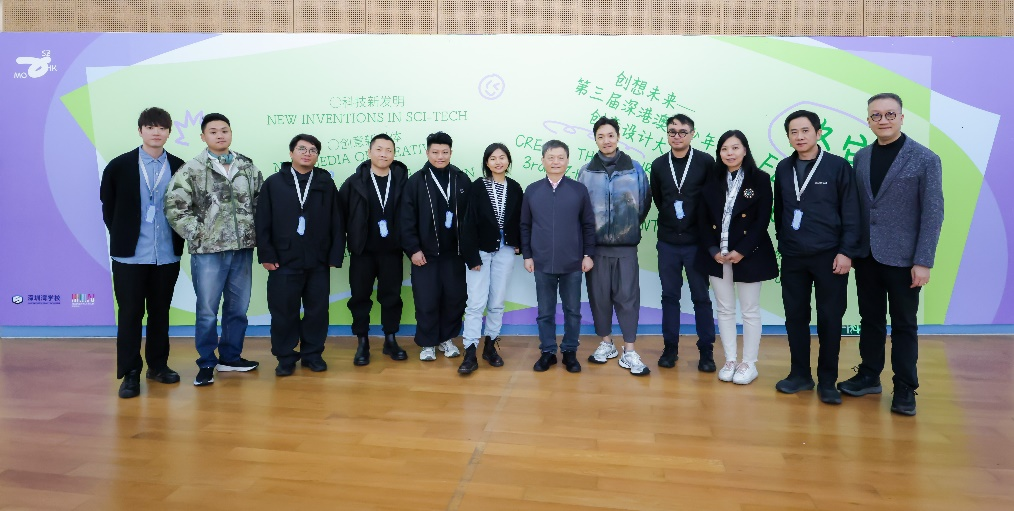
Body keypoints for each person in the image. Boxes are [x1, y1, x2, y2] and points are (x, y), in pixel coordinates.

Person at [840, 93, 944, 416]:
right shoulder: (861, 157)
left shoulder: (925, 158)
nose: (882, 120)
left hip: (905, 260)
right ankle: (869, 375)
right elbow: (859, 207)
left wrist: (923, 260)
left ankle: (905, 387)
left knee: (904, 325)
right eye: (876, 115)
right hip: (867, 256)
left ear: (901, 117)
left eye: (889, 114)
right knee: (870, 320)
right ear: (868, 120)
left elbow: (933, 213)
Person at [166, 112, 264, 387]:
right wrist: (200, 235)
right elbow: (175, 208)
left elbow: (261, 203)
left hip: (242, 249)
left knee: (238, 308)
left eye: (224, 130)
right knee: (208, 310)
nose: (220, 135)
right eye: (213, 131)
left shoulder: (247, 166)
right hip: (208, 252)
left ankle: (231, 357)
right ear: (203, 136)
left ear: (231, 133)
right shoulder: (191, 169)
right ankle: (207, 362)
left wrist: (256, 234)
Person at [773, 110, 860, 404]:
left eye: (805, 130)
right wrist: (784, 242)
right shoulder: (783, 168)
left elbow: (851, 212)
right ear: (788, 136)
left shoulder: (838, 166)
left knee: (830, 319)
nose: (799, 137)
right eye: (793, 132)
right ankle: (800, 374)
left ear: (818, 133)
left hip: (830, 256)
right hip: (793, 257)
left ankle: (827, 381)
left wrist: (846, 252)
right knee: (795, 317)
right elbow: (780, 210)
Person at [100, 107, 186, 399]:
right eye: (150, 127)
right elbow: (108, 205)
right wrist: (123, 234)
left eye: (162, 128)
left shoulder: (179, 166)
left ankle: (158, 366)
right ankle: (130, 373)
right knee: (130, 313)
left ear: (169, 132)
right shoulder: (120, 165)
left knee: (160, 312)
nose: (156, 132)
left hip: (167, 254)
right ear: (140, 131)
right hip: (130, 256)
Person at [256, 134, 344, 377]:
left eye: (313, 150)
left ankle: (312, 354)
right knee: (284, 311)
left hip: (318, 259)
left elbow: (337, 220)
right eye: (302, 149)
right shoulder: (274, 183)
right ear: (291, 153)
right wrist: (266, 254)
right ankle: (285, 357)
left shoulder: (325, 183)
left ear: (317, 156)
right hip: (283, 259)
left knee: (317, 310)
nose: (307, 153)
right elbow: (262, 220)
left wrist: (334, 255)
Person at [695, 130, 778, 385]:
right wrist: (712, 250)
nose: (729, 153)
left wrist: (742, 250)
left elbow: (762, 220)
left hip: (749, 254)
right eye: (724, 149)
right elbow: (702, 220)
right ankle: (730, 360)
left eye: (735, 148)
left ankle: (749, 363)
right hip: (717, 256)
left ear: (744, 150)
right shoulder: (712, 180)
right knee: (724, 309)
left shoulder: (760, 179)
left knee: (750, 310)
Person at [578, 117, 652, 376]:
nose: (606, 140)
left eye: (610, 135)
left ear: (618, 137)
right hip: (596, 248)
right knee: (599, 297)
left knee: (628, 297)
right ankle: (606, 343)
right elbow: (581, 209)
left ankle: (629, 350)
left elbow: (643, 204)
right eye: (601, 136)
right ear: (595, 139)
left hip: (626, 246)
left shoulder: (634, 169)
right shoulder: (586, 172)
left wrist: (627, 226)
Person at [649, 114, 718, 373]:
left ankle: (706, 352)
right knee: (670, 296)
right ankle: (670, 349)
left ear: (692, 134)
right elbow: (659, 199)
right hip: (668, 242)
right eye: (672, 131)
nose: (677, 136)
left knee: (701, 297)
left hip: (697, 243)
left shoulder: (705, 162)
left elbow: (712, 199)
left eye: (682, 132)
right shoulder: (658, 165)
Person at [521, 140, 596, 373]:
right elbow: (525, 225)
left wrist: (588, 254)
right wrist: (527, 255)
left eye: (560, 157)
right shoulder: (532, 190)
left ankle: (570, 352)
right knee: (545, 312)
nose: (556, 162)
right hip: (541, 262)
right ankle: (548, 352)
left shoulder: (578, 190)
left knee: (573, 311)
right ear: (543, 160)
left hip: (573, 262)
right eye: (551, 157)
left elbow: (588, 225)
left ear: (567, 160)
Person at [338, 134, 409, 366]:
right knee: (360, 297)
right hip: (362, 252)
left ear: (394, 154)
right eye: (379, 149)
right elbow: (340, 217)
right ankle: (362, 342)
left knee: (392, 297)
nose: (383, 154)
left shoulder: (402, 181)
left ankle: (390, 339)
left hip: (392, 251)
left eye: (389, 150)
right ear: (369, 152)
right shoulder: (354, 182)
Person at [401, 132, 470, 362]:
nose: (440, 156)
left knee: (454, 299)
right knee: (426, 300)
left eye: (445, 152)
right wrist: (413, 249)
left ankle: (446, 339)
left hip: (455, 255)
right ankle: (427, 343)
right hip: (425, 255)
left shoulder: (461, 179)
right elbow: (406, 219)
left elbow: (471, 218)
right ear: (427, 152)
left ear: (451, 152)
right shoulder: (416, 181)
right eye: (435, 152)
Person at [458, 143, 523, 375]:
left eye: (502, 157)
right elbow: (467, 222)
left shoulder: (515, 187)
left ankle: (490, 346)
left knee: (496, 302)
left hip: (505, 251)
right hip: (480, 252)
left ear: (508, 161)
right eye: (493, 158)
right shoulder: (477, 186)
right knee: (476, 303)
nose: (498, 162)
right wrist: (471, 256)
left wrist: (518, 243)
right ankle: (470, 352)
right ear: (487, 162)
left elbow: (520, 219)